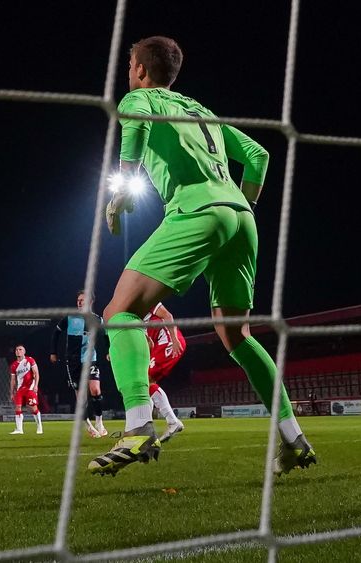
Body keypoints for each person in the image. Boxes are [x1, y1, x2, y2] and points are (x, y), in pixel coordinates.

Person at [89, 36, 315, 476]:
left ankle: (137, 425)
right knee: (237, 336)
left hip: (196, 212)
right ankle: (293, 438)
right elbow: (258, 155)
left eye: (130, 63)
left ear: (140, 69)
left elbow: (133, 127)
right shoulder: (203, 112)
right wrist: (241, 207)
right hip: (241, 219)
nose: (129, 71)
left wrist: (118, 195)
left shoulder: (140, 97)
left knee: (120, 312)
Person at [50, 290, 107, 437]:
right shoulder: (69, 318)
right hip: (73, 361)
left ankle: (99, 422)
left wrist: (109, 351)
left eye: (83, 299)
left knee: (95, 390)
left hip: (90, 358)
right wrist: (53, 352)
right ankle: (88, 426)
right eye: (78, 300)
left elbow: (107, 335)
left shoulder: (97, 320)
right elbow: (56, 333)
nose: (80, 302)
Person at [144, 302, 186, 442]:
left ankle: (172, 422)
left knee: (147, 380)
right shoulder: (136, 318)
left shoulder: (146, 301)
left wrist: (174, 339)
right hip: (159, 346)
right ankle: (146, 426)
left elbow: (168, 315)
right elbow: (149, 343)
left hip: (169, 342)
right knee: (144, 383)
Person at [8, 345, 43, 435]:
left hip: (30, 388)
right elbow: (12, 380)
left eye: (20, 349)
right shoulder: (13, 365)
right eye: (16, 350)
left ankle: (39, 427)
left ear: (24, 351)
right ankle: (19, 430)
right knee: (17, 407)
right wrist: (11, 392)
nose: (18, 351)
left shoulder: (30, 360)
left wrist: (36, 385)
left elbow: (37, 373)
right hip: (20, 389)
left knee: (33, 408)